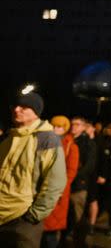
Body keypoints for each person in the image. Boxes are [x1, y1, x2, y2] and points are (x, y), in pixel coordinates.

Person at [0, 93, 66, 248]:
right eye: (15, 106)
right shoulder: (9, 137)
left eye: (24, 107)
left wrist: (34, 215)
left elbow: (55, 182)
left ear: (36, 111)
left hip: (22, 221)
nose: (16, 109)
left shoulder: (47, 139)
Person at [41, 116, 80, 248]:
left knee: (51, 231)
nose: (56, 129)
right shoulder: (46, 142)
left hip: (59, 192)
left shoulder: (71, 146)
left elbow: (71, 171)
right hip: (42, 189)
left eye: (60, 126)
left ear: (65, 128)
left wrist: (60, 187)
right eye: (54, 126)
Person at [67, 116, 97, 246]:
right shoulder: (67, 140)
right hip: (64, 184)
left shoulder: (88, 144)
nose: (74, 127)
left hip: (78, 185)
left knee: (77, 216)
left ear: (84, 127)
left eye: (77, 124)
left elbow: (89, 166)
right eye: (72, 124)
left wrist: (75, 176)